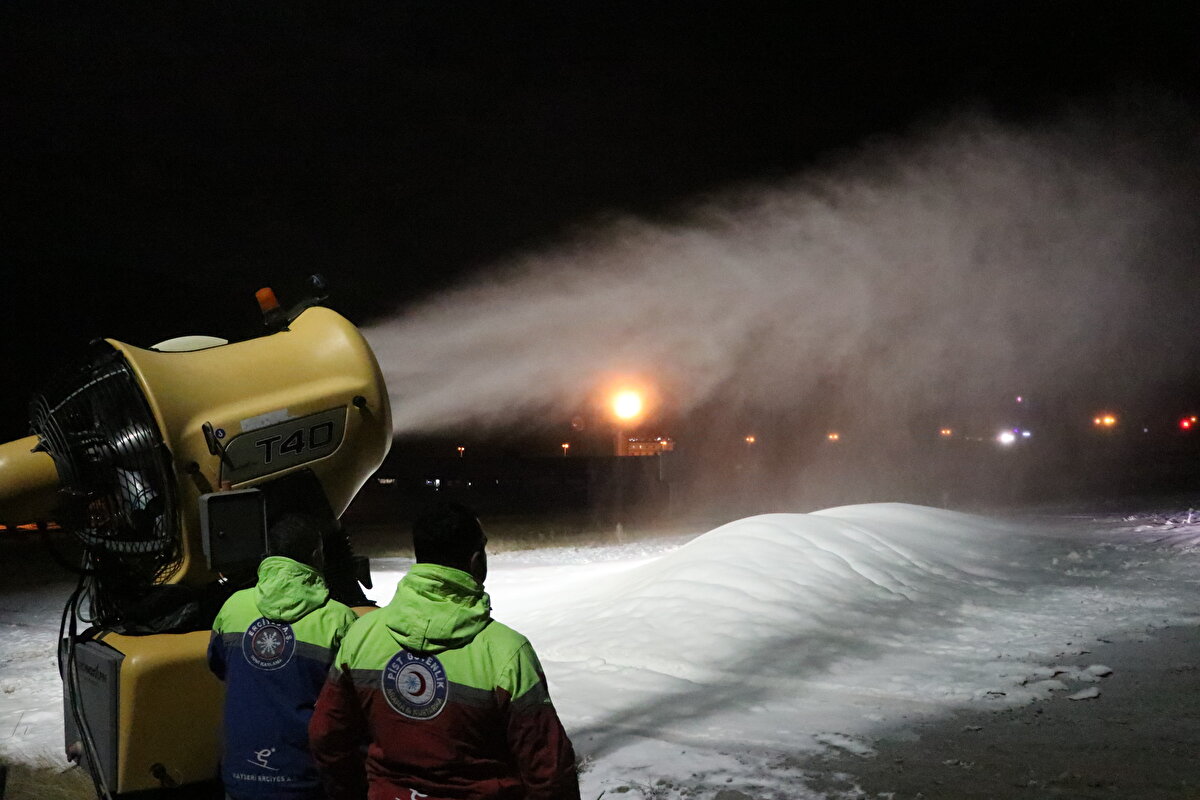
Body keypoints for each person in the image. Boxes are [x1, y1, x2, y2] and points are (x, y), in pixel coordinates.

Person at [309, 501, 580, 800]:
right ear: (477, 561)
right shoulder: (507, 654)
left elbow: (327, 736)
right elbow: (549, 773)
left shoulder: (361, 635)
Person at [208, 513, 359, 800]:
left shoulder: (233, 607)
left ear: (271, 556)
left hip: (240, 777)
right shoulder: (340, 620)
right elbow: (350, 703)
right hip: (306, 780)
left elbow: (217, 665)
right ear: (317, 556)